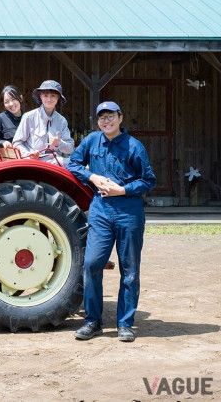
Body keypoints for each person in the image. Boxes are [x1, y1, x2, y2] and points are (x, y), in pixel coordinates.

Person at [67, 101, 156, 342]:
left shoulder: (134, 147)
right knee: (92, 264)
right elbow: (72, 164)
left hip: (129, 212)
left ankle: (125, 324)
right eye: (102, 118)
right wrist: (92, 176)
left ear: (120, 117)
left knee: (129, 270)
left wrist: (123, 190)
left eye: (110, 116)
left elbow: (148, 180)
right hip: (101, 211)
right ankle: (92, 322)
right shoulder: (91, 141)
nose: (106, 121)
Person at [12, 80, 74, 164]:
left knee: (76, 165)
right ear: (40, 97)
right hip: (33, 162)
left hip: (55, 162)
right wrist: (28, 154)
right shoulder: (29, 117)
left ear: (58, 98)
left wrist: (59, 143)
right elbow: (16, 143)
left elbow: (70, 149)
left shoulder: (62, 121)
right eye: (45, 95)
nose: (49, 99)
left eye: (53, 96)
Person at [0, 85, 24, 150]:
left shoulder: (29, 117)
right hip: (9, 158)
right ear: (3, 104)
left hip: (29, 157)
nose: (11, 104)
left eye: (13, 99)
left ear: (21, 98)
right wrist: (3, 142)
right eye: (6, 102)